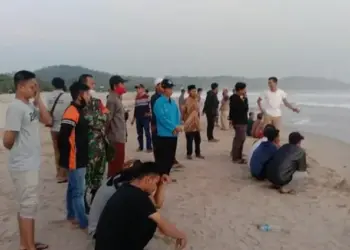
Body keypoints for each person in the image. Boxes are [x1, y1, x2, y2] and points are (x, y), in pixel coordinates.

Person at [2, 70, 51, 250]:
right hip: (23, 165)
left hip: (30, 163)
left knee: (27, 205)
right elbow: (8, 139)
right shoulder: (16, 107)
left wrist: (38, 99)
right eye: (32, 86)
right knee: (28, 205)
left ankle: (26, 243)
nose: (35, 89)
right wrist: (18, 149)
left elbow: (48, 120)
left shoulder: (29, 106)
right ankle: (29, 247)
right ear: (21, 87)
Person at [95, 162, 187, 250]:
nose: (155, 187)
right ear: (148, 180)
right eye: (156, 183)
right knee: (152, 222)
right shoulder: (138, 197)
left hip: (104, 243)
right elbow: (163, 226)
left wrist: (162, 184)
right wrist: (181, 235)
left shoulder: (127, 187)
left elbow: (156, 204)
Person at [58, 81, 91, 230]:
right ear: (80, 95)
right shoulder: (71, 111)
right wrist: (68, 158)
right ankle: (83, 221)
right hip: (75, 159)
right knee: (79, 191)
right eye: (87, 93)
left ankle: (71, 214)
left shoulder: (79, 110)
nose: (89, 96)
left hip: (79, 157)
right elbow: (63, 137)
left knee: (72, 188)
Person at [79, 74, 109, 211]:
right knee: (87, 177)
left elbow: (106, 115)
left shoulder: (97, 102)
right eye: (92, 84)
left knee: (99, 174)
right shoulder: (78, 104)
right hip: (87, 146)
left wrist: (98, 119)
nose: (94, 87)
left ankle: (95, 202)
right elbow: (86, 121)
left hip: (101, 144)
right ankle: (84, 204)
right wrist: (99, 119)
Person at [151, 78, 183, 169]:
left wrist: (177, 127)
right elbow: (161, 118)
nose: (171, 90)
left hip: (173, 135)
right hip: (164, 134)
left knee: (170, 156)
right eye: (169, 88)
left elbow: (177, 116)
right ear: (163, 89)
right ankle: (162, 175)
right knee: (163, 158)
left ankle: (166, 175)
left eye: (171, 88)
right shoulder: (159, 102)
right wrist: (173, 128)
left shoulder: (172, 102)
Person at [46, 77, 71, 183]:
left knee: (57, 151)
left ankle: (59, 173)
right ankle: (65, 174)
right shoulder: (67, 96)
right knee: (67, 150)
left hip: (53, 127)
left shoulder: (48, 96)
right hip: (65, 127)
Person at [106, 75, 128, 177]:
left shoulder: (117, 98)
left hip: (119, 136)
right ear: (115, 86)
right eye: (122, 84)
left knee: (119, 164)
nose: (124, 86)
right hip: (115, 137)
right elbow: (107, 119)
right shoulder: (112, 100)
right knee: (115, 166)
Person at [182, 85, 204, 160]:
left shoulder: (196, 99)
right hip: (189, 123)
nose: (194, 92)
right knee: (189, 140)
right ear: (188, 92)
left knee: (198, 139)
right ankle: (189, 154)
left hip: (196, 123)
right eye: (193, 91)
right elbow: (183, 112)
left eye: (195, 91)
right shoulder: (186, 100)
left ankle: (198, 153)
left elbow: (198, 110)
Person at [229, 82, 249, 163]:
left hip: (239, 121)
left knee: (239, 139)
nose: (245, 90)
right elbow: (244, 109)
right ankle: (236, 158)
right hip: (239, 121)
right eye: (244, 89)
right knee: (240, 139)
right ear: (240, 90)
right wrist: (245, 99)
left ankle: (237, 155)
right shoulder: (236, 98)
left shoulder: (236, 98)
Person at [131, 84, 152, 152]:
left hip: (145, 118)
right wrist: (133, 119)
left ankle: (149, 148)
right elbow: (136, 109)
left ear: (143, 89)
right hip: (138, 118)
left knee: (147, 133)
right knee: (139, 134)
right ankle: (141, 147)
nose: (137, 89)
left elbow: (151, 108)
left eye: (138, 88)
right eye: (136, 88)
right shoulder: (136, 98)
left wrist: (149, 114)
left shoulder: (147, 97)